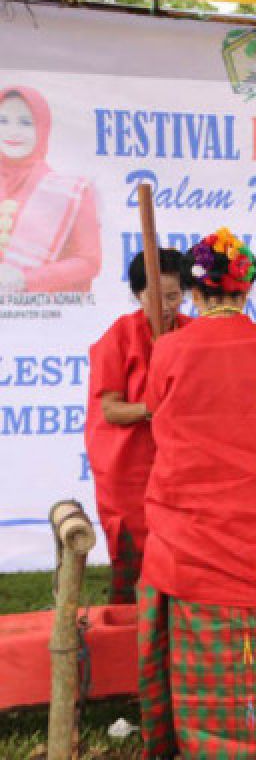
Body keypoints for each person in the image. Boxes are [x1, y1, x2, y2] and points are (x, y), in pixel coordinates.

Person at [138, 228, 256, 758]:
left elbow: (156, 417)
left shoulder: (169, 349)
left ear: (194, 291)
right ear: (247, 289)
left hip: (191, 519)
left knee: (198, 627)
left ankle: (199, 738)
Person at [84, 248, 190, 604]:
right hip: (129, 466)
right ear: (137, 293)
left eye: (173, 296)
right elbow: (111, 410)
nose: (165, 305)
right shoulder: (119, 337)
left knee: (183, 556)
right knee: (133, 558)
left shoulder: (193, 334)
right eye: (154, 296)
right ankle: (127, 641)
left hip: (181, 464)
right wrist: (153, 409)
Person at [0, 85, 101, 293]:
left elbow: (89, 261)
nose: (13, 131)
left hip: (42, 315)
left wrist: (26, 279)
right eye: (3, 121)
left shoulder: (70, 191)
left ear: (42, 128)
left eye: (26, 123)